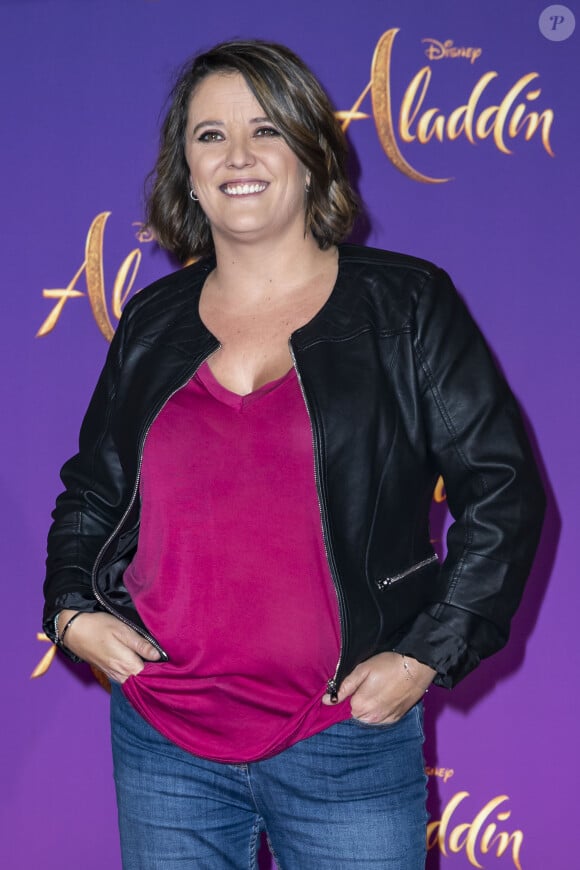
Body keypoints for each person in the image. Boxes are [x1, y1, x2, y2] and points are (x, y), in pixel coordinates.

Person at [42, 39, 545, 870]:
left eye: (265, 129)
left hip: (343, 738)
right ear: (187, 170)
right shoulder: (152, 322)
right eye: (210, 136)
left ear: (312, 158)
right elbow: (95, 492)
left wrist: (428, 652)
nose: (237, 156)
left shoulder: (406, 305)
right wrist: (70, 610)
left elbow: (505, 492)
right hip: (163, 739)